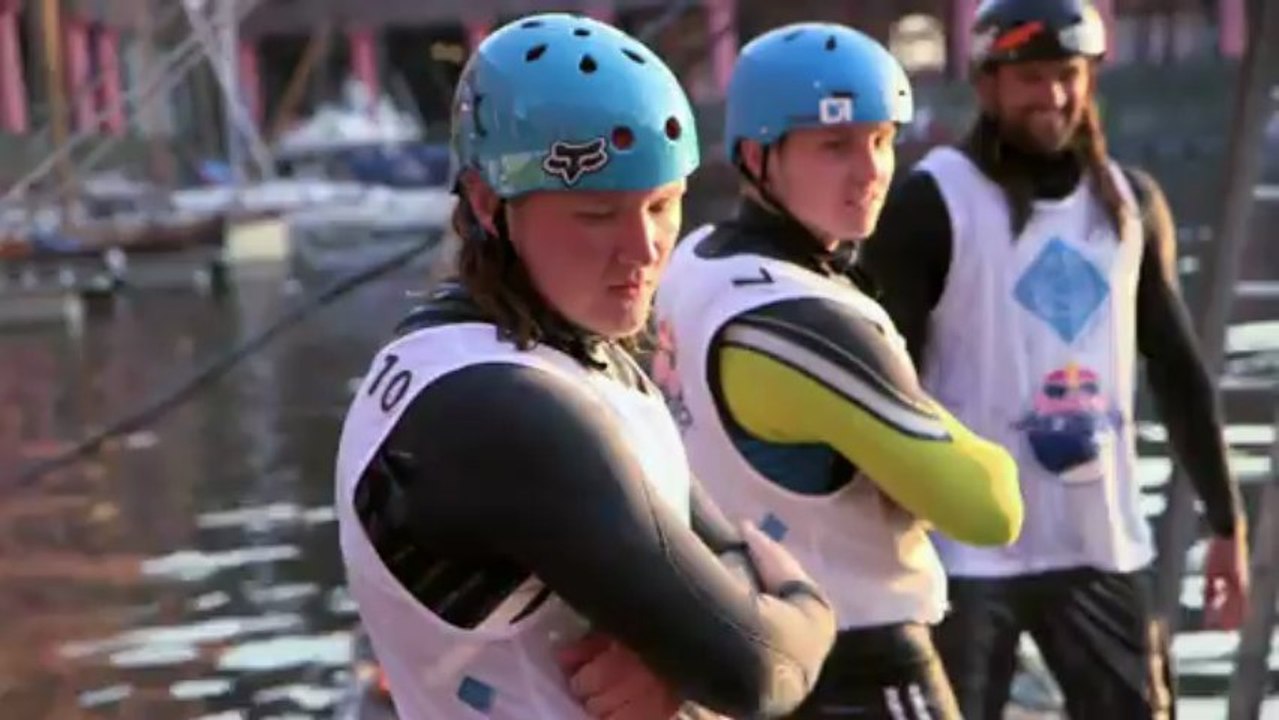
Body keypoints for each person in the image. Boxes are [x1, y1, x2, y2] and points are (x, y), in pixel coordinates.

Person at [333, 13, 839, 720]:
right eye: (597, 214)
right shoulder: (497, 407)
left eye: (662, 206)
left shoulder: (557, 351)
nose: (642, 250)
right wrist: (805, 605)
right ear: (487, 202)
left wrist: (673, 655)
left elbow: (718, 555)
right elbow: (760, 669)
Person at [858, 1, 1251, 718]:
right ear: (987, 83)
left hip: (1097, 544)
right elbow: (883, 381)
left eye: (1067, 75)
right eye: (1030, 78)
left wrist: (1225, 526)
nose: (1053, 96)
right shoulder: (934, 201)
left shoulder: (1129, 205)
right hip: (965, 552)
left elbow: (1176, 370)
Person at [648, 22, 1023, 720]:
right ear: (757, 156)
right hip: (860, 661)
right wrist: (950, 434)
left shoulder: (692, 261)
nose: (871, 169)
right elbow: (987, 508)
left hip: (736, 656)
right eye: (833, 147)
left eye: (880, 140)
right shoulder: (810, 320)